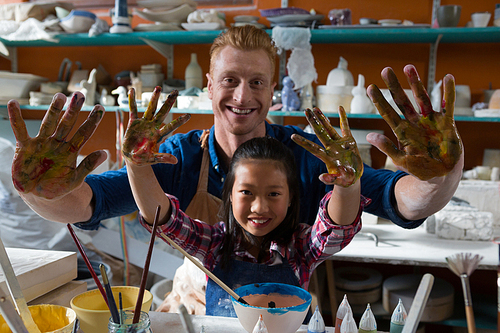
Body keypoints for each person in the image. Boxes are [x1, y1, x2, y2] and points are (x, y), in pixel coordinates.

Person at [8, 25, 463, 311]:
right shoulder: (178, 156)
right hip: (193, 309)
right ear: (209, 86)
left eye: (257, 82)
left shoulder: (308, 153)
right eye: (230, 80)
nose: (242, 96)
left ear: (273, 90)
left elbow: (401, 199)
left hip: (283, 312)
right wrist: (38, 188)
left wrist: (442, 171)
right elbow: (85, 203)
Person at [122, 101, 365, 317]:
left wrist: (347, 185)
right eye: (247, 192)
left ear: (291, 198)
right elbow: (164, 220)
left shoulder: (300, 248)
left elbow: (336, 230)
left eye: (274, 194)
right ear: (229, 195)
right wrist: (136, 166)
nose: (259, 207)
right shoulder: (213, 243)